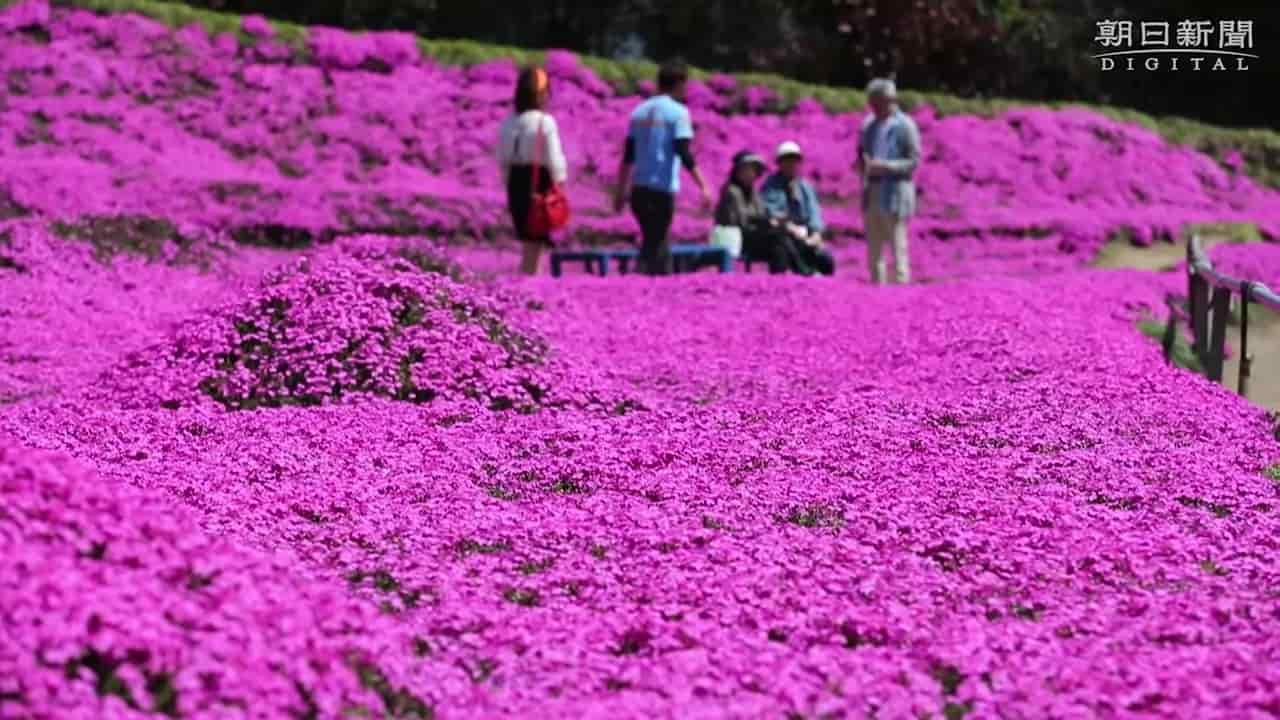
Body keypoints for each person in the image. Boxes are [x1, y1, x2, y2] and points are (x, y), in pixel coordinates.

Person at [612, 58, 713, 276]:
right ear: (679, 83)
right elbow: (683, 152)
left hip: (638, 189)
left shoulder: (638, 112)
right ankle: (649, 286)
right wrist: (703, 185)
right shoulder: (678, 113)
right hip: (661, 189)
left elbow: (628, 156)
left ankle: (658, 288)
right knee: (655, 243)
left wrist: (620, 191)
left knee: (655, 240)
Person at [497, 65, 568, 275]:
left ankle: (526, 283)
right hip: (540, 183)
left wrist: (508, 183)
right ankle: (532, 287)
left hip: (515, 183)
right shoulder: (544, 122)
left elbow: (502, 159)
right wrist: (560, 186)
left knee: (528, 242)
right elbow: (555, 160)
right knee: (536, 244)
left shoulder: (508, 122)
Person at [856, 78, 921, 285]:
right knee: (874, 250)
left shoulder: (905, 126)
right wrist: (862, 164)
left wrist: (885, 166)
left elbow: (913, 161)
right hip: (872, 189)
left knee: (897, 247)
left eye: (876, 103)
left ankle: (901, 294)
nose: (873, 107)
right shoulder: (869, 125)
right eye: (871, 103)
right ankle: (878, 293)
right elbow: (863, 152)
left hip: (895, 193)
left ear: (888, 100)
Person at [714, 150, 807, 274]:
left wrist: (774, 221)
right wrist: (767, 222)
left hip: (752, 236)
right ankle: (799, 272)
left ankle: (787, 275)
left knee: (781, 239)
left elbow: (762, 214)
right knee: (777, 238)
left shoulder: (753, 192)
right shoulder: (732, 191)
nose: (750, 174)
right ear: (737, 171)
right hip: (737, 239)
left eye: (753, 170)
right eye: (746, 169)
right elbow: (742, 222)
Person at [761, 141, 836, 276]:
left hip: (804, 234)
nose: (791, 164)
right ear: (780, 163)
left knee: (826, 260)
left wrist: (816, 234)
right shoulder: (771, 185)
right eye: (787, 160)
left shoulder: (805, 187)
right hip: (783, 233)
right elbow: (771, 211)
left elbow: (814, 212)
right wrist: (791, 228)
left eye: (794, 160)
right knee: (787, 248)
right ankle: (804, 274)